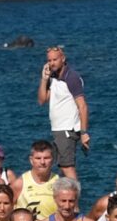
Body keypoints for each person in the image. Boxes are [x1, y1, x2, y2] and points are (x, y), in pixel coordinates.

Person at [37, 45, 89, 181]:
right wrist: (44, 79)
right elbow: (42, 100)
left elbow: (82, 106)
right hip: (57, 129)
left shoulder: (71, 78)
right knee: (57, 166)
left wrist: (84, 133)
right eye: (49, 60)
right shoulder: (53, 77)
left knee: (67, 167)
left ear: (63, 59)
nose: (52, 63)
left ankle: (75, 199)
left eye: (55, 60)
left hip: (67, 128)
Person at [11, 140, 59, 219]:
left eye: (46, 158)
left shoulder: (59, 183)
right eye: (38, 158)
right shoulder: (19, 184)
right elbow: (8, 210)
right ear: (31, 160)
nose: (42, 162)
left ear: (52, 159)